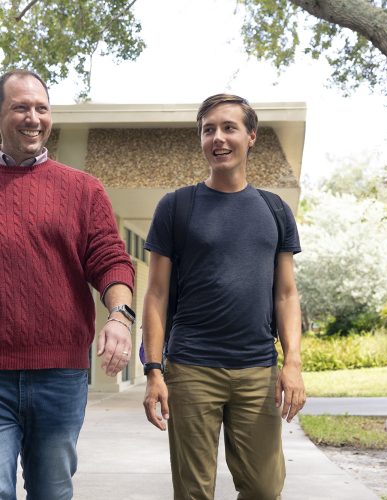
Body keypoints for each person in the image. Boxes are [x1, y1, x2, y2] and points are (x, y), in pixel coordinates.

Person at [142, 93, 306, 499]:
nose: (218, 138)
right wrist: (153, 370)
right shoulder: (177, 206)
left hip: (257, 369)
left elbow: (286, 294)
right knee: (194, 491)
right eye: (208, 130)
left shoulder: (275, 210)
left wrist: (294, 363)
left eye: (229, 128)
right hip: (192, 368)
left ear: (251, 137)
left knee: (265, 489)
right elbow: (156, 295)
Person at [0, 69, 135, 499]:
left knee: (52, 492)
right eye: (20, 106)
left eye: (41, 108)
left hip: (60, 375)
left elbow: (112, 260)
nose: (33, 118)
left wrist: (119, 316)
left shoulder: (83, 190)